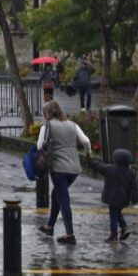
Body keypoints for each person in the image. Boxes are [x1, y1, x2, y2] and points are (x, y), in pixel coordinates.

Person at [36, 101, 91, 245]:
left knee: (63, 199)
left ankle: (70, 234)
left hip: (59, 168)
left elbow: (39, 146)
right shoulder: (72, 124)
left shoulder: (47, 125)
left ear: (46, 113)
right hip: (75, 169)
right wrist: (88, 154)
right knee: (56, 195)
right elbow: (86, 141)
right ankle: (50, 226)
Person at [94, 148, 138, 244]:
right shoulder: (130, 172)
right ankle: (124, 228)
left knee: (113, 215)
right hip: (124, 199)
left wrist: (90, 160)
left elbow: (98, 167)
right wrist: (135, 198)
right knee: (118, 213)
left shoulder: (110, 169)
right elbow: (134, 187)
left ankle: (114, 235)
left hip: (112, 197)